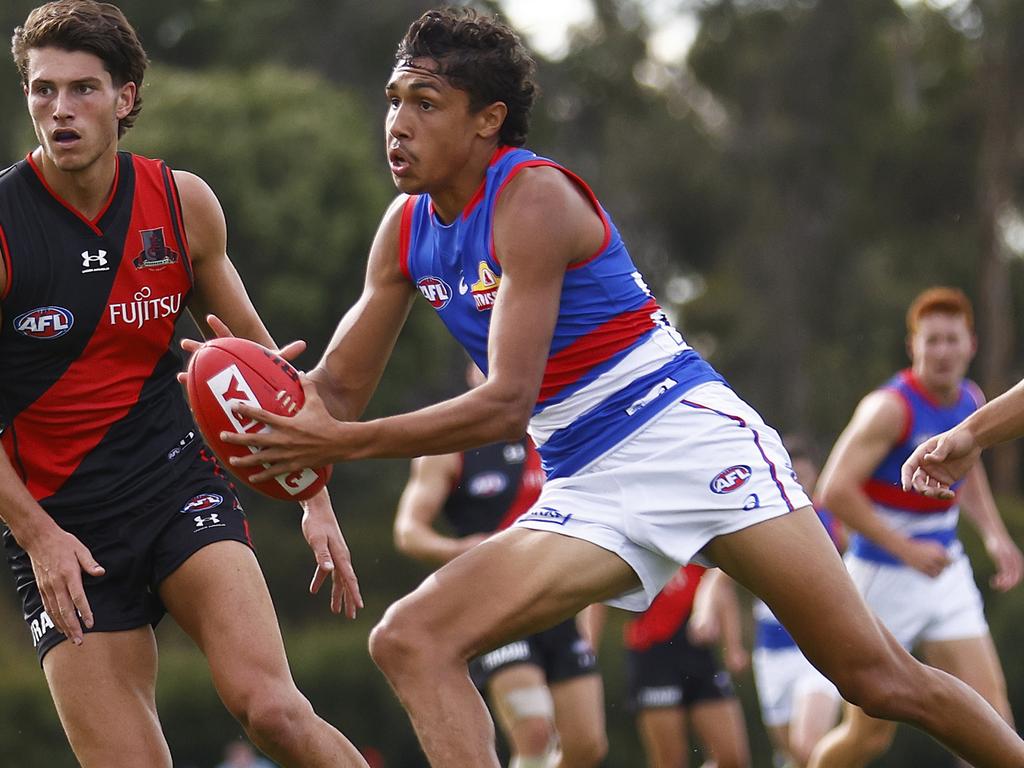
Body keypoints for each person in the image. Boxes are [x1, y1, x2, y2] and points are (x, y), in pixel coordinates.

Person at [218, 9, 1024, 767]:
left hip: (685, 437)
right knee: (411, 640)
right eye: (393, 101)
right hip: (587, 478)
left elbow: (504, 403)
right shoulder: (405, 230)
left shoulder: (532, 198)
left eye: (425, 102)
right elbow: (334, 392)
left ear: (486, 119)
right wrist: (243, 394)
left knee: (877, 680)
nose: (398, 123)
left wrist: (341, 445)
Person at [0, 3, 366, 767]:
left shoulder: (180, 204)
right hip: (58, 522)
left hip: (173, 487)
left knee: (274, 713)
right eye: (42, 91)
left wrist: (315, 495)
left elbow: (263, 362)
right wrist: (39, 538)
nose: (59, 111)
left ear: (126, 97)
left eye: (82, 90)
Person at [809, 287, 1022, 768]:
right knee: (867, 737)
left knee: (992, 720)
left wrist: (994, 533)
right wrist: (906, 549)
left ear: (972, 344)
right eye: (932, 341)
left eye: (952, 340)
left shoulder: (972, 399)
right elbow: (833, 489)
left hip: (944, 572)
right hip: (881, 578)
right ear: (913, 347)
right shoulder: (889, 408)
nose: (942, 352)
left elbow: (969, 468)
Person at [392, 363, 607, 768]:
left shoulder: (557, 430)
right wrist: (456, 549)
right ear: (470, 371)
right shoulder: (449, 443)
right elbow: (408, 530)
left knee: (586, 746)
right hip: (493, 607)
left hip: (558, 602)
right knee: (535, 730)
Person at [709, 438, 843, 768]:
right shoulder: (765, 519)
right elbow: (719, 579)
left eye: (804, 474)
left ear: (814, 476)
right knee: (790, 756)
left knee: (807, 746)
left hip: (820, 650)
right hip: (771, 655)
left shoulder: (834, 518)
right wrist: (709, 617)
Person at [611, 563, 751, 768]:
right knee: (671, 763)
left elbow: (720, 581)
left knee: (732, 760)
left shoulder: (698, 537)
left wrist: (733, 645)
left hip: (699, 651)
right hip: (653, 655)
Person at [903, 376, 1024, 497]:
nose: (943, 356)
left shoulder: (971, 397)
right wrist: (972, 435)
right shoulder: (894, 406)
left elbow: (971, 479)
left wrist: (973, 435)